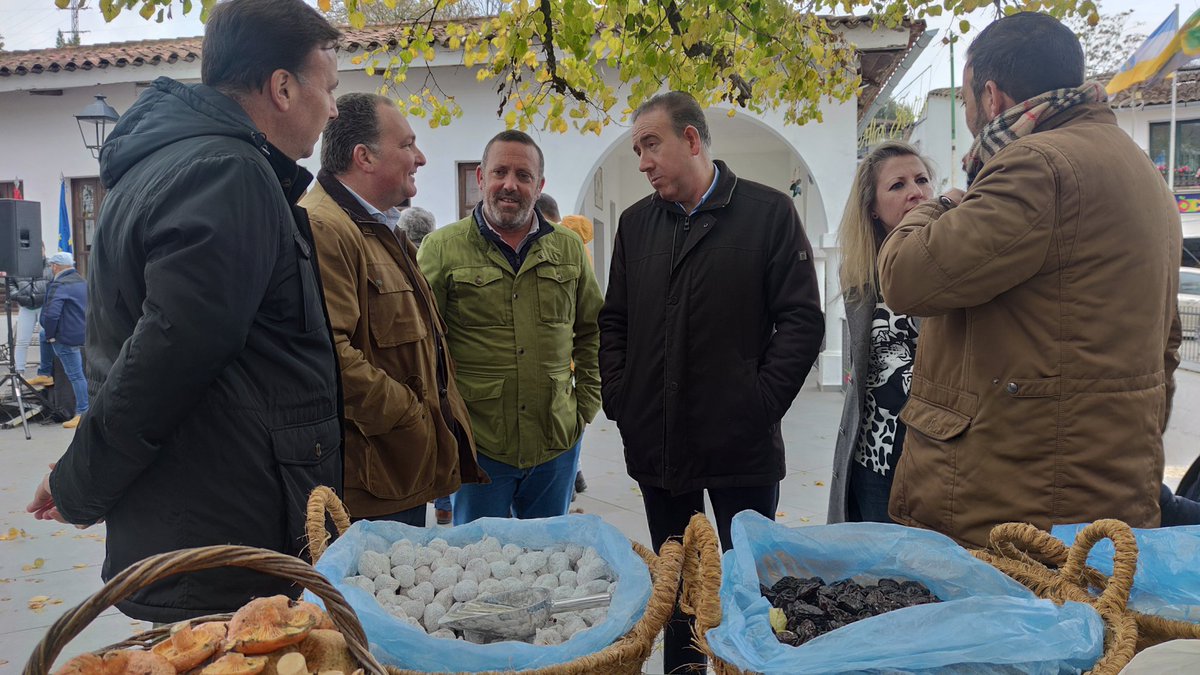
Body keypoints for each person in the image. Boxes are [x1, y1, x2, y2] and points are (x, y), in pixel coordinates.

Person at [26, 0, 344, 623]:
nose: (333, 109)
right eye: (329, 89)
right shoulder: (227, 172)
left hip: (203, 518)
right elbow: (170, 356)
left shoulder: (175, 165)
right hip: (223, 530)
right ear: (282, 87)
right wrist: (79, 482)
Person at [877, 12, 1182, 548]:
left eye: (969, 102)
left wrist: (943, 203)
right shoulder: (1139, 169)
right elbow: (1169, 341)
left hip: (1015, 503)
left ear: (991, 97)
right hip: (1104, 487)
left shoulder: (1038, 167)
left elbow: (907, 277)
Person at [598, 91, 824, 673]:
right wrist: (623, 398)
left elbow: (801, 320)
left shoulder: (768, 212)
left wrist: (761, 401)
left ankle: (747, 666)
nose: (642, 160)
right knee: (675, 585)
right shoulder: (635, 224)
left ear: (692, 139)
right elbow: (614, 320)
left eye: (651, 143)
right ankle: (683, 670)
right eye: (636, 148)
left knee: (746, 582)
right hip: (658, 443)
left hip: (740, 446)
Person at [301, 93, 486, 526]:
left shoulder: (379, 226)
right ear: (363, 157)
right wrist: (411, 416)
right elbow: (330, 355)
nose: (419, 157)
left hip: (396, 472)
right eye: (406, 145)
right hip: (367, 489)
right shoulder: (325, 227)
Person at [418, 130, 603, 525]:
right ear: (481, 178)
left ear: (539, 186)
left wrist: (584, 407)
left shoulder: (568, 248)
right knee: (478, 566)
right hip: (479, 448)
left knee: (552, 561)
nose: (510, 184)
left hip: (556, 443)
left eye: (523, 175)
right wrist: (443, 420)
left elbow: (592, 330)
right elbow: (422, 342)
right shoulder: (441, 249)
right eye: (500, 172)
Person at [827, 142, 933, 523]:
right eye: (898, 185)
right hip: (875, 454)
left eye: (922, 180)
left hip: (934, 456)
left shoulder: (952, 264)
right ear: (872, 207)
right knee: (877, 577)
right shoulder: (860, 275)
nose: (916, 192)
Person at [39, 251, 88, 429]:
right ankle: (43, 373)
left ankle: (83, 412)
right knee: (42, 336)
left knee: (76, 376)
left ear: (55, 267)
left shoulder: (59, 284)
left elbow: (51, 314)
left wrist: (52, 334)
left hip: (65, 337)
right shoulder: (82, 281)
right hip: (82, 333)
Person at [7, 252, 53, 385]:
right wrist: (20, 296)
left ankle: (47, 372)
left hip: (44, 306)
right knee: (21, 341)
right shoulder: (18, 266)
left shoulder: (50, 265)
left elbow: (55, 284)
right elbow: (10, 284)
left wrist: (47, 297)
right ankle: (18, 372)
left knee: (46, 338)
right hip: (26, 307)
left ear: (43, 250)